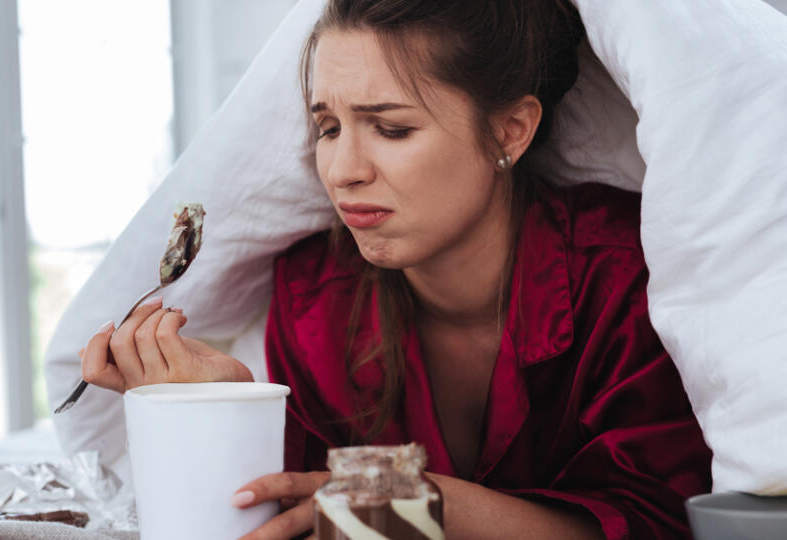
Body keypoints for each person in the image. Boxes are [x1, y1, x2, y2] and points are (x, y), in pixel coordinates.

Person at [79, 0, 712, 538]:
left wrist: (421, 501)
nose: (343, 170)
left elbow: (665, 523)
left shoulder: (627, 272)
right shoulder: (312, 299)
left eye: (391, 128)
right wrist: (227, 409)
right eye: (327, 127)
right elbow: (302, 510)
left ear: (510, 131)